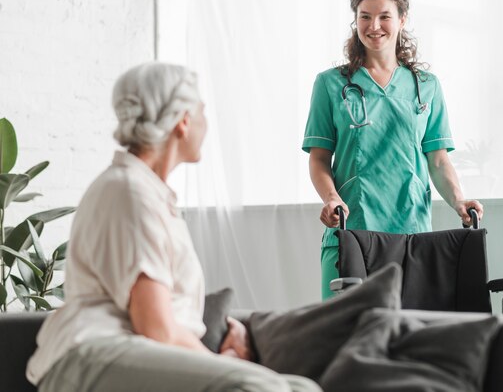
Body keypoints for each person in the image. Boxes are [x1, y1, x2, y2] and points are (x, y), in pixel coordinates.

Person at [27, 62, 320, 392]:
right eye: (203, 112)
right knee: (264, 388)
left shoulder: (145, 192)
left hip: (129, 356)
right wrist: (220, 364)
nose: (207, 123)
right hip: (93, 357)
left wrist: (227, 326)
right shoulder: (129, 191)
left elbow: (167, 315)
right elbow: (156, 326)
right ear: (183, 121)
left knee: (300, 387)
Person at [302, 0, 484, 300]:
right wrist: (330, 198)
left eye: (384, 16)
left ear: (402, 20)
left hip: (410, 237)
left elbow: (438, 159)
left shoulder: (425, 86)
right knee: (341, 336)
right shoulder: (330, 85)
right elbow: (318, 159)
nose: (374, 26)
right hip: (350, 231)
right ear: (355, 21)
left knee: (407, 338)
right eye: (364, 16)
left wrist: (458, 199)